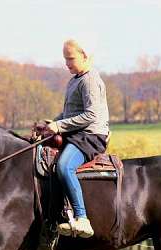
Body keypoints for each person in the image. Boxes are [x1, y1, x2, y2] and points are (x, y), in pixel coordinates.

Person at [45, 39, 110, 238]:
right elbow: (68, 114)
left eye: (71, 58)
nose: (67, 63)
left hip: (90, 136)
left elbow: (91, 115)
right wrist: (49, 125)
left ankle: (82, 218)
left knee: (65, 166)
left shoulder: (90, 80)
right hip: (77, 134)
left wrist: (59, 126)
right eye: (65, 58)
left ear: (85, 56)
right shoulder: (75, 79)